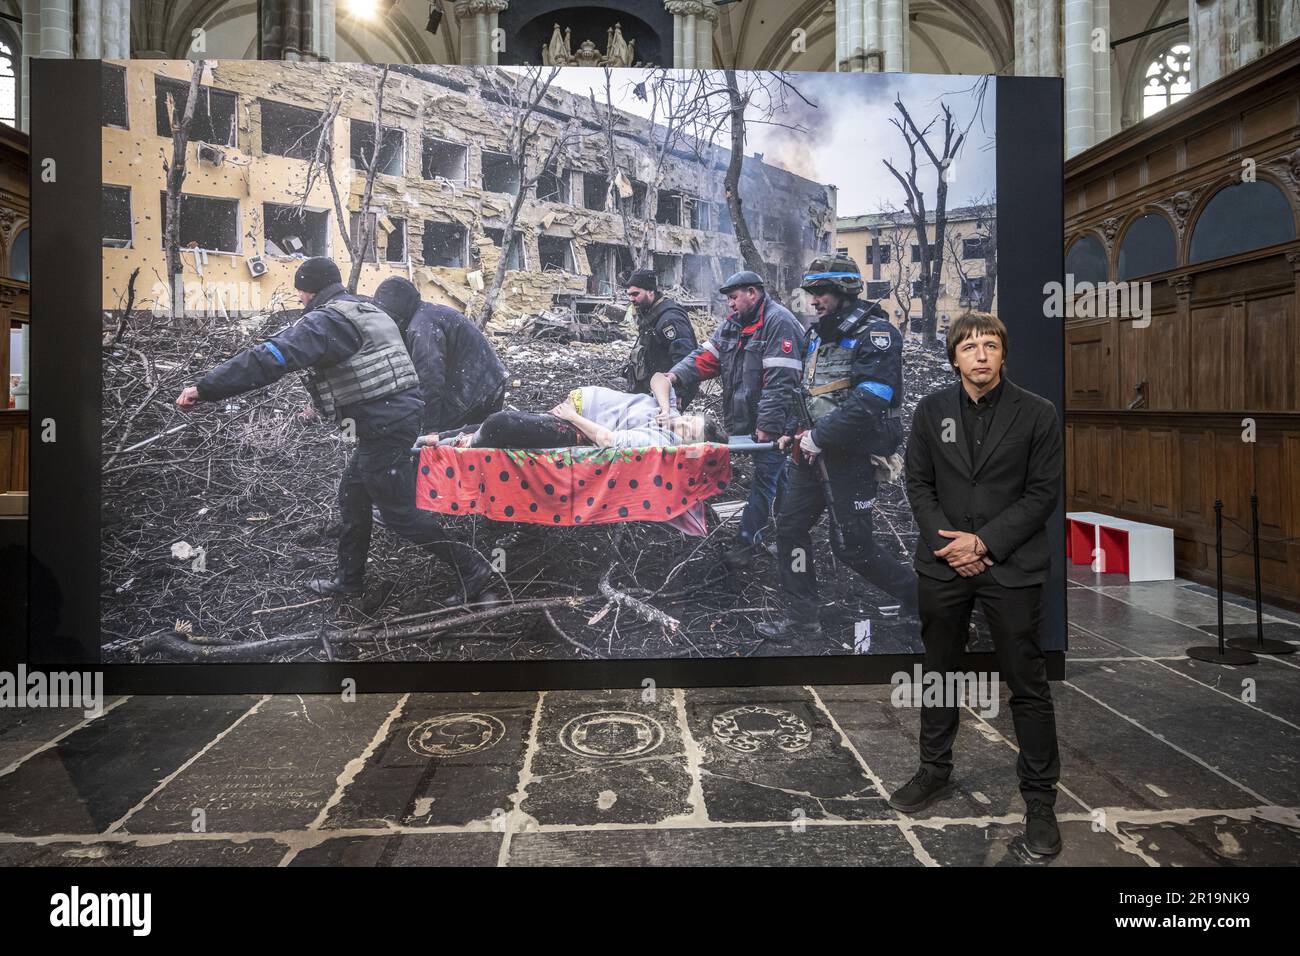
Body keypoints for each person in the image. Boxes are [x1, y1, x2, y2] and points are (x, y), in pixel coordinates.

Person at [175, 257, 502, 604]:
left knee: (398, 512)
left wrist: (207, 388)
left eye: (300, 291)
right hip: (393, 418)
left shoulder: (326, 321)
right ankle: (349, 583)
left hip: (385, 424)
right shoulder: (363, 308)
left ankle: (473, 568)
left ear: (307, 289)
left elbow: (270, 357)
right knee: (353, 495)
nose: (299, 299)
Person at [890, 310, 1064, 857]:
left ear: (1003, 354)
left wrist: (983, 543)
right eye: (970, 347)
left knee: (1027, 684)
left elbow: (1042, 494)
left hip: (1010, 566)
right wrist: (951, 546)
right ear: (955, 357)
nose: (981, 355)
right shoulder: (931, 410)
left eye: (990, 345)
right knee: (939, 673)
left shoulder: (1038, 414)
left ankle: (1039, 802)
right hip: (944, 565)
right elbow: (917, 483)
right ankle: (933, 771)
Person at [755, 255, 918, 644]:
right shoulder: (816, 335)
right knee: (790, 527)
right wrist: (794, 432)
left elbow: (871, 398)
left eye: (821, 292)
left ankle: (923, 599)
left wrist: (819, 437)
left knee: (852, 547)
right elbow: (810, 395)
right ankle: (802, 620)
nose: (814, 300)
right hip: (811, 454)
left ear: (844, 290)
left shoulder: (877, 335)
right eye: (811, 292)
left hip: (853, 457)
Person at [666, 270, 803, 571]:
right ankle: (790, 525)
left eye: (734, 297)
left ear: (752, 293)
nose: (729, 304)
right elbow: (705, 357)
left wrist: (767, 427)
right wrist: (673, 376)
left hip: (778, 422)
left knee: (765, 478)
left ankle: (745, 542)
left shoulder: (779, 324)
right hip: (749, 421)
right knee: (778, 475)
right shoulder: (732, 326)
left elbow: (781, 383)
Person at [371, 276, 508, 436]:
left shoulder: (422, 328)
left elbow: (429, 379)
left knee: (441, 441)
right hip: (487, 382)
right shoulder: (427, 315)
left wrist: (429, 430)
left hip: (475, 389)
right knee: (473, 442)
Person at [444, 380, 727, 450]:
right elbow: (659, 379)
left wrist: (572, 416)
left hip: (577, 426)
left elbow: (608, 439)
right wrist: (666, 407)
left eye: (688, 432)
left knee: (500, 423)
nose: (682, 424)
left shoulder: (659, 440)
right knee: (487, 424)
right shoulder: (671, 412)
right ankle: (439, 436)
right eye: (689, 420)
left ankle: (455, 444)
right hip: (574, 408)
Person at [623, 268, 699, 409]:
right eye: (629, 295)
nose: (631, 299)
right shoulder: (650, 314)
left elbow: (685, 358)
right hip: (653, 389)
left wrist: (678, 393)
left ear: (651, 291)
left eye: (635, 294)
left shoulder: (670, 319)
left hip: (668, 391)